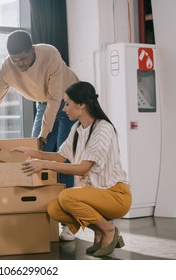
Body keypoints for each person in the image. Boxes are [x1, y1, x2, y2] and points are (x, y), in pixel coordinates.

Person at [0, 30, 79, 240]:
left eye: (23, 58)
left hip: (69, 102)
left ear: (32, 50)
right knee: (33, 158)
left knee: (63, 160)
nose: (20, 64)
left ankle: (68, 222)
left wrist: (43, 136)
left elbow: (55, 100)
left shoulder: (49, 54)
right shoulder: (8, 67)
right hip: (45, 104)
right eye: (15, 60)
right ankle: (37, 214)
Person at [12, 81, 132, 257]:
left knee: (67, 196)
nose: (64, 109)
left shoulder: (103, 129)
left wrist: (44, 164)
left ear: (81, 105)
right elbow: (60, 157)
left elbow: (83, 169)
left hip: (116, 195)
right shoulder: (77, 129)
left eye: (67, 104)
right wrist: (32, 152)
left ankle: (109, 230)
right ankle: (100, 231)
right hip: (95, 194)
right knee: (54, 208)